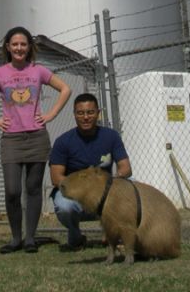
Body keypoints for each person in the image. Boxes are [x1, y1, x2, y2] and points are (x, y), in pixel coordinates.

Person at [0, 26, 71, 254]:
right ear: (8, 47)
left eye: (23, 44)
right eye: (15, 44)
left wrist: (51, 114)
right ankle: (15, 238)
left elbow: (65, 89)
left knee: (33, 188)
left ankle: (30, 238)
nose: (19, 48)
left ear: (29, 47)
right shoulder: (0, 73)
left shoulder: (38, 71)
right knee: (12, 190)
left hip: (37, 137)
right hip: (11, 139)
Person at [49, 92, 132, 250]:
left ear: (98, 113)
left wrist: (108, 186)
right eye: (80, 113)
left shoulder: (111, 136)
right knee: (64, 205)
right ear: (74, 115)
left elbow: (126, 169)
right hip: (76, 195)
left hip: (105, 192)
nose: (85, 117)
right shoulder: (63, 141)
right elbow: (56, 177)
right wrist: (83, 190)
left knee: (131, 188)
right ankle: (75, 237)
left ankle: (115, 233)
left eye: (90, 112)